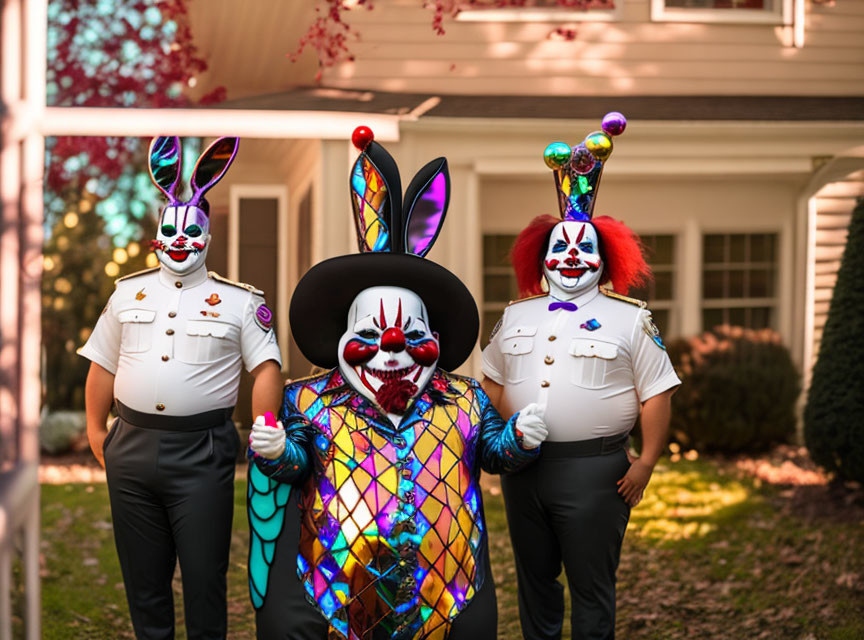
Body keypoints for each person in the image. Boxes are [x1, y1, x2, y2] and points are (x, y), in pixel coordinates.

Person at [245, 126, 548, 640]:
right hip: (335, 589)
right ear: (341, 339)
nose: (391, 347)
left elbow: (492, 454)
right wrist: (274, 450)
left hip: (448, 588)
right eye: (369, 334)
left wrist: (518, 438)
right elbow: (296, 463)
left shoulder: (467, 399)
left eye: (411, 335)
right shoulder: (306, 400)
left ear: (435, 338)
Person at [481, 113, 681, 640]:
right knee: (535, 583)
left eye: (584, 249)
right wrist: (504, 441)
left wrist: (648, 462)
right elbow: (491, 382)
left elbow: (656, 393)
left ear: (604, 258)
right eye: (560, 249)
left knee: (592, 588)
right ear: (541, 258)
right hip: (524, 471)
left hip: (597, 474)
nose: (571, 257)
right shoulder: (516, 315)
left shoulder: (630, 317)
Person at [79, 136, 282, 640]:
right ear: (157, 235)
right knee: (143, 583)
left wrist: (265, 429)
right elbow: (102, 363)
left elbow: (267, 369)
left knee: (203, 580)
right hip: (131, 444)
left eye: (190, 232)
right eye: (169, 231)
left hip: (203, 450)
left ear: (207, 238)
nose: (179, 241)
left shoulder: (239, 302)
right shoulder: (127, 293)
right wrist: (94, 430)